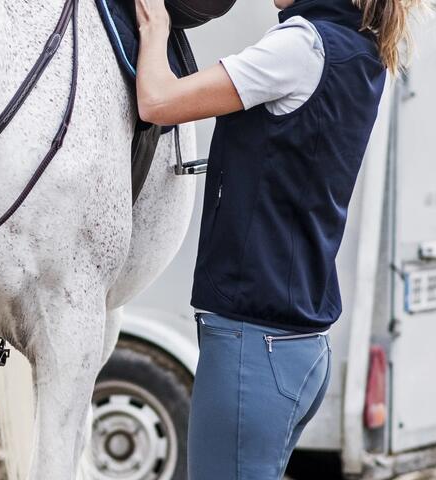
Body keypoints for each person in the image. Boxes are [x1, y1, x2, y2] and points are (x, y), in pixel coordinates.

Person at [132, 0, 419, 475]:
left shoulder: (301, 46)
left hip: (254, 344)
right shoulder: (360, 48)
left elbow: (158, 102)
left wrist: (156, 28)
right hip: (296, 348)